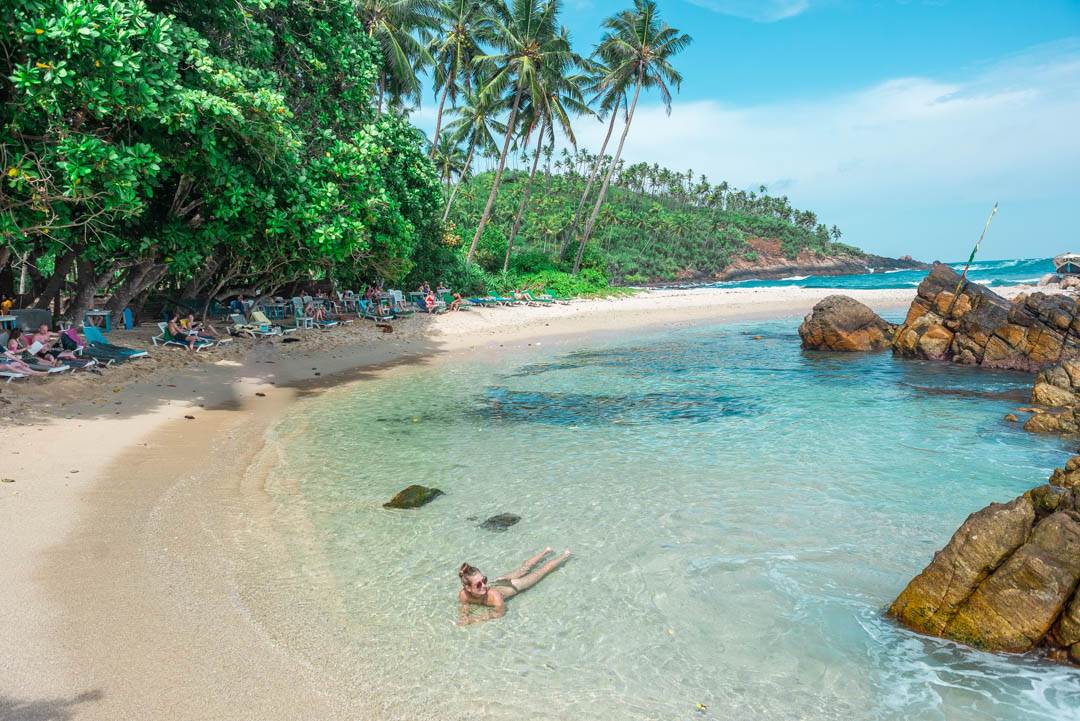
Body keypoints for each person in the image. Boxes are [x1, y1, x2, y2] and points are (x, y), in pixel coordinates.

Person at [458, 548, 571, 625]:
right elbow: (465, 605)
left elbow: (499, 613)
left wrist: (473, 619)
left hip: (516, 585)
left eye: (484, 580)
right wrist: (464, 615)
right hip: (502, 582)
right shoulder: (463, 595)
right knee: (523, 568)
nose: (484, 585)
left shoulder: (494, 596)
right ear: (468, 588)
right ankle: (547, 550)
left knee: (541, 571)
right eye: (478, 584)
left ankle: (564, 555)